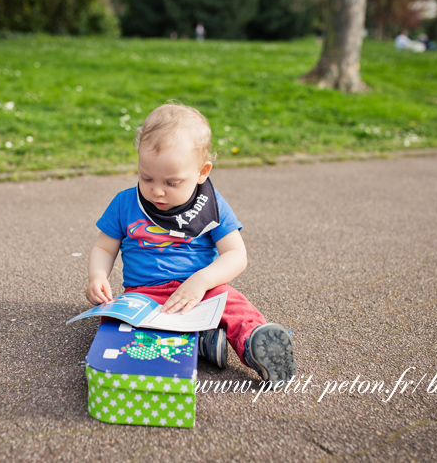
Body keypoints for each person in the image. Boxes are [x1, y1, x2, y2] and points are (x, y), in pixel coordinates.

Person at [85, 103, 297, 383]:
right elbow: (104, 246)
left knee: (236, 307)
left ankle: (256, 344)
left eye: (172, 183)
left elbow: (236, 254)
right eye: (146, 177)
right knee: (115, 324)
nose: (157, 190)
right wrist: (97, 275)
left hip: (201, 289)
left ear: (202, 172)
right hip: (143, 294)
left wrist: (202, 281)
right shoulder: (125, 203)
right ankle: (202, 342)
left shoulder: (212, 204)